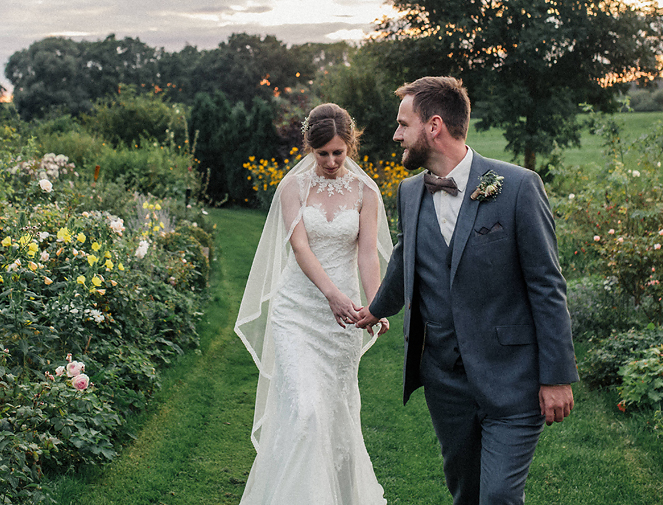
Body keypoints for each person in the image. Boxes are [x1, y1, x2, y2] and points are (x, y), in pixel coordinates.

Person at [356, 76, 579, 505]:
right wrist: (375, 308)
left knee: (497, 496)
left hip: (511, 376)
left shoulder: (517, 187)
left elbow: (547, 286)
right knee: (467, 493)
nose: (396, 134)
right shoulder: (408, 192)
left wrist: (557, 377)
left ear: (434, 126)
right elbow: (406, 259)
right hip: (445, 382)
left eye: (404, 124)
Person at [235, 103, 393, 505]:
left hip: (341, 323)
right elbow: (300, 247)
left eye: (338, 152)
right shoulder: (294, 188)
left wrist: (374, 305)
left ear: (350, 146)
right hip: (297, 311)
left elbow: (367, 255)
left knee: (335, 413)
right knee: (304, 410)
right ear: (309, 147)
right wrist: (332, 294)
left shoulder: (365, 192)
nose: (330, 160)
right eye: (322, 153)